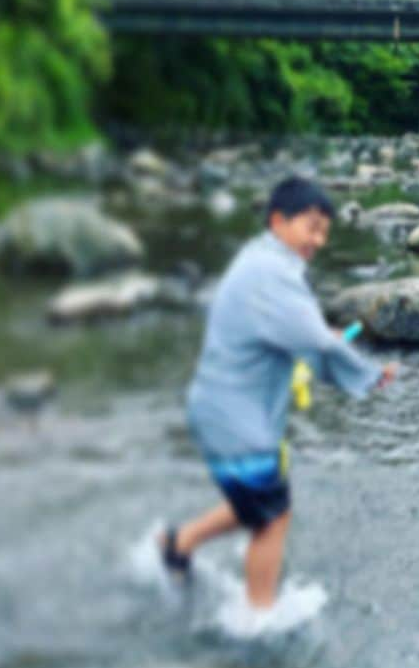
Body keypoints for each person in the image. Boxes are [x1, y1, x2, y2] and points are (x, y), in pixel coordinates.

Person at [159, 175, 396, 609]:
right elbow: (317, 343)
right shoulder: (272, 272)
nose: (319, 239)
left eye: (325, 230)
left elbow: (296, 333)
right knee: (273, 515)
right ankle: (258, 621)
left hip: (220, 410)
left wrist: (323, 340)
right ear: (277, 220)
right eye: (311, 226)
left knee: (253, 503)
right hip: (235, 418)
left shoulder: (260, 261)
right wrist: (370, 374)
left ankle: (178, 543)